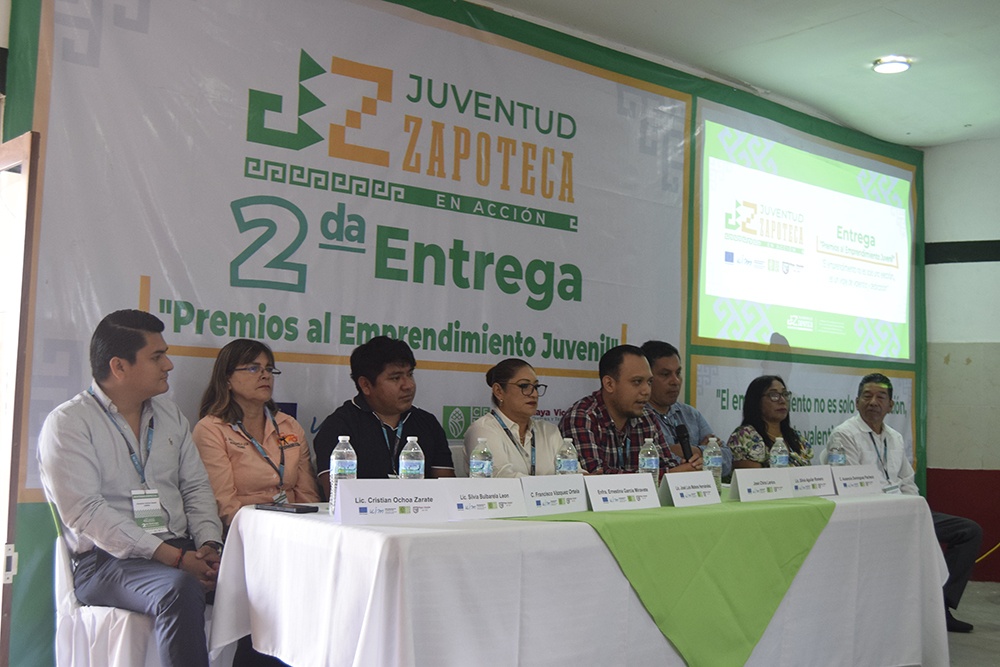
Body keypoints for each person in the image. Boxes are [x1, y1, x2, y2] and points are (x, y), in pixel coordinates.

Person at [38, 310, 223, 667]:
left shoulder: (170, 415)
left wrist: (209, 546)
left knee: (261, 581)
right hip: (107, 563)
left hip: (181, 549)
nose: (168, 365)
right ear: (119, 366)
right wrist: (175, 559)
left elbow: (196, 488)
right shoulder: (69, 424)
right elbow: (87, 513)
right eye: (157, 357)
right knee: (178, 589)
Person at [827, 373, 982, 633]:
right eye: (867, 396)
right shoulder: (844, 435)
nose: (873, 402)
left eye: (880, 397)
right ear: (856, 402)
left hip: (904, 511)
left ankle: (940, 606)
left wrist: (917, 511)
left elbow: (908, 482)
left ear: (891, 405)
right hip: (872, 515)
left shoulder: (895, 437)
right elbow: (849, 486)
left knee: (969, 531)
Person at [193, 338, 320, 529]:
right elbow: (224, 504)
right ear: (227, 380)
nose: (265, 375)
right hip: (244, 531)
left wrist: (310, 529)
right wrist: (263, 533)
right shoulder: (211, 429)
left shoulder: (289, 425)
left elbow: (307, 494)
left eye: (268, 369)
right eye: (253, 368)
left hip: (294, 529)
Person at [314, 336, 455, 494]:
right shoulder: (339, 426)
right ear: (366, 385)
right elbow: (337, 494)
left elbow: (448, 491)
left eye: (410, 374)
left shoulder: (427, 423)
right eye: (395, 378)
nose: (408, 385)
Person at [559, 344, 702, 475]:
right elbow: (596, 477)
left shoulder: (646, 417)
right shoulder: (583, 418)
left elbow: (667, 464)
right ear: (609, 384)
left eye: (649, 382)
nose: (646, 391)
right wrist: (669, 474)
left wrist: (686, 468)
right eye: (637, 382)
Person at [640, 340, 732, 478]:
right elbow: (652, 465)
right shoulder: (638, 416)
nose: (675, 381)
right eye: (665, 374)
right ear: (647, 377)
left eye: (678, 373)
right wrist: (706, 455)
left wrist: (696, 451)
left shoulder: (690, 414)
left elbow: (727, 459)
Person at [463, 358, 569, 477]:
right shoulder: (483, 430)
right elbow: (500, 477)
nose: (534, 394)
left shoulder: (549, 431)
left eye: (536, 386)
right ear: (499, 391)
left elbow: (572, 474)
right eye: (524, 386)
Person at [728, 375, 812, 468]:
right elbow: (752, 476)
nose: (782, 400)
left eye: (785, 394)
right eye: (774, 395)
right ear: (756, 401)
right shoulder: (745, 436)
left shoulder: (795, 438)